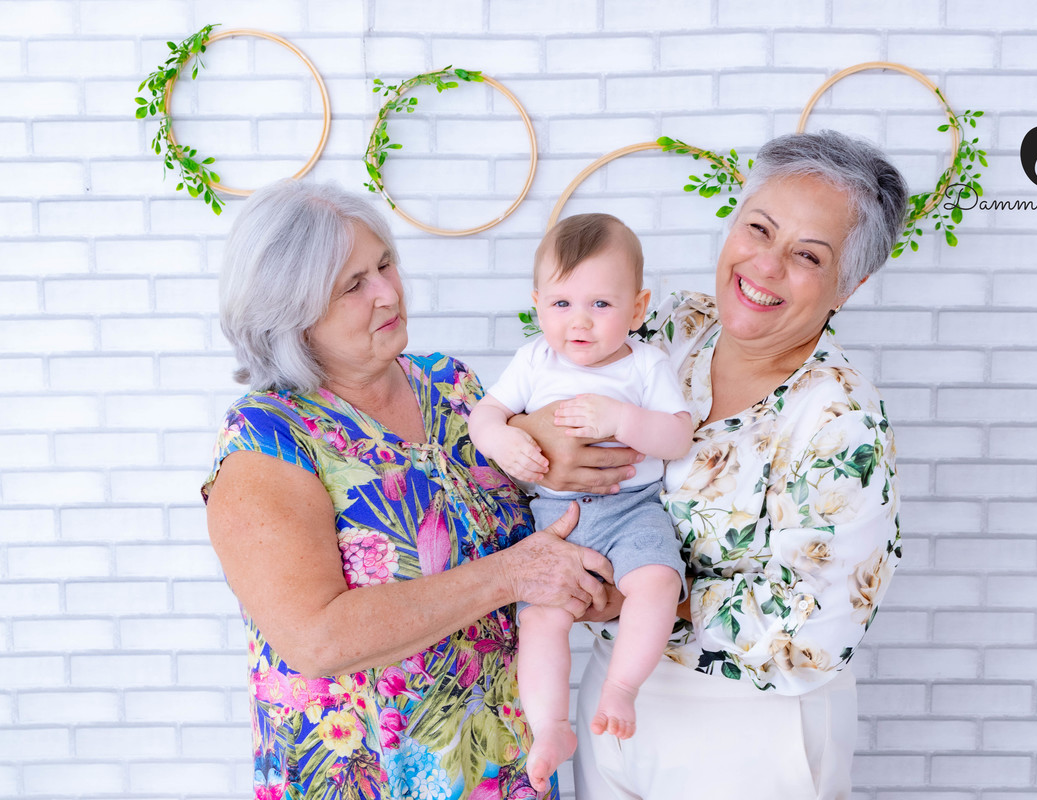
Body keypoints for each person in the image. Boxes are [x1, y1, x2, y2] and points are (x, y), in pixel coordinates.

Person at [514, 130, 909, 799]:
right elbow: (550, 370)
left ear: (850, 285)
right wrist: (528, 433)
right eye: (759, 228)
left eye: (807, 255)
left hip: (749, 726)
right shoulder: (673, 329)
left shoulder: (840, 419)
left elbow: (814, 627)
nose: (766, 264)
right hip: (614, 701)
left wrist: (626, 598)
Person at [201, 179, 617, 800]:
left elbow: (540, 543)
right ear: (291, 313)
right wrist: (514, 575)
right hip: (372, 776)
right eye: (353, 285)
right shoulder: (267, 439)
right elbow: (317, 639)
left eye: (385, 264)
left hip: (505, 765)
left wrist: (595, 583)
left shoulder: (453, 388)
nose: (388, 292)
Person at [467, 213, 693, 793]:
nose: (580, 323)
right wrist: (504, 438)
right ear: (538, 303)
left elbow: (677, 436)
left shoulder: (645, 366)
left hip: (633, 507)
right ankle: (551, 727)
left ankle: (622, 686)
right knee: (541, 617)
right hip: (556, 519)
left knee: (658, 582)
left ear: (638, 309)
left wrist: (623, 419)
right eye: (562, 304)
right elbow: (483, 415)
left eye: (601, 304)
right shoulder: (534, 361)